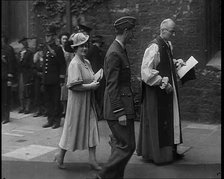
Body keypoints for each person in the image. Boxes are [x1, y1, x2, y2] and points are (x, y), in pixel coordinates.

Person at [137, 18, 186, 165]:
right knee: (160, 121)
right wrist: (162, 82)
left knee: (172, 117)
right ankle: (159, 155)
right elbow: (146, 71)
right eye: (172, 31)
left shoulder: (167, 44)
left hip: (170, 89)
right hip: (158, 92)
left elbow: (165, 61)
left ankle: (171, 151)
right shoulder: (154, 47)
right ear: (163, 30)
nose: (173, 34)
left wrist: (176, 62)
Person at [95, 16, 137, 179]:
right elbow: (111, 85)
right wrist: (120, 112)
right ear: (126, 31)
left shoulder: (119, 49)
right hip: (117, 108)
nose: (133, 35)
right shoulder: (114, 52)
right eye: (132, 31)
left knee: (120, 144)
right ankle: (103, 175)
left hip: (123, 104)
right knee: (127, 146)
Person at [54, 32, 101, 170]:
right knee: (72, 129)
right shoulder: (74, 64)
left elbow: (90, 77)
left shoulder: (87, 62)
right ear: (75, 48)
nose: (84, 49)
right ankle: (60, 155)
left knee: (92, 127)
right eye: (81, 46)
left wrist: (96, 77)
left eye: (85, 45)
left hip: (88, 101)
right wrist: (91, 86)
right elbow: (73, 86)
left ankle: (92, 159)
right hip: (78, 103)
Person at [42, 25, 66, 129]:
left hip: (55, 79)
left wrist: (61, 79)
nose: (47, 38)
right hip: (47, 79)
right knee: (48, 101)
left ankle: (57, 120)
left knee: (56, 100)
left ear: (53, 36)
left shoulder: (58, 49)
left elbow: (62, 64)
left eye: (49, 36)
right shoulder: (45, 49)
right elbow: (44, 65)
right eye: (46, 36)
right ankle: (50, 119)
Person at [86, 35, 106, 121]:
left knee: (95, 96)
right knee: (100, 95)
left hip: (94, 75)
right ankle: (100, 114)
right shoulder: (100, 51)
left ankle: (98, 114)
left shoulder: (91, 50)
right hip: (100, 75)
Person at [17, 37, 34, 114]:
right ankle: (22, 106)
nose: (24, 44)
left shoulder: (29, 52)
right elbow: (17, 64)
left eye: (25, 42)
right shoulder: (20, 52)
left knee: (27, 90)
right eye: (23, 43)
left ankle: (27, 107)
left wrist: (23, 58)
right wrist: (20, 58)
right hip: (21, 73)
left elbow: (30, 64)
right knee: (21, 90)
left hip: (27, 73)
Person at [58, 32, 73, 117]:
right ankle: (62, 108)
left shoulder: (69, 50)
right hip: (61, 71)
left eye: (66, 39)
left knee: (66, 91)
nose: (64, 40)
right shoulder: (59, 49)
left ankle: (66, 109)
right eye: (63, 39)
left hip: (68, 71)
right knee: (61, 91)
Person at [1, 34, 14, 124]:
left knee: (5, 98)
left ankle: (6, 117)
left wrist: (10, 78)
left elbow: (11, 64)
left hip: (5, 77)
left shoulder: (8, 49)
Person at [32, 43, 46, 117]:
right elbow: (33, 68)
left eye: (42, 50)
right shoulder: (36, 58)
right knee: (37, 94)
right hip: (37, 78)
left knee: (45, 93)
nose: (41, 52)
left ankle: (45, 109)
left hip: (45, 78)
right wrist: (37, 73)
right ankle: (38, 109)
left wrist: (43, 74)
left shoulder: (46, 58)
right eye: (39, 50)